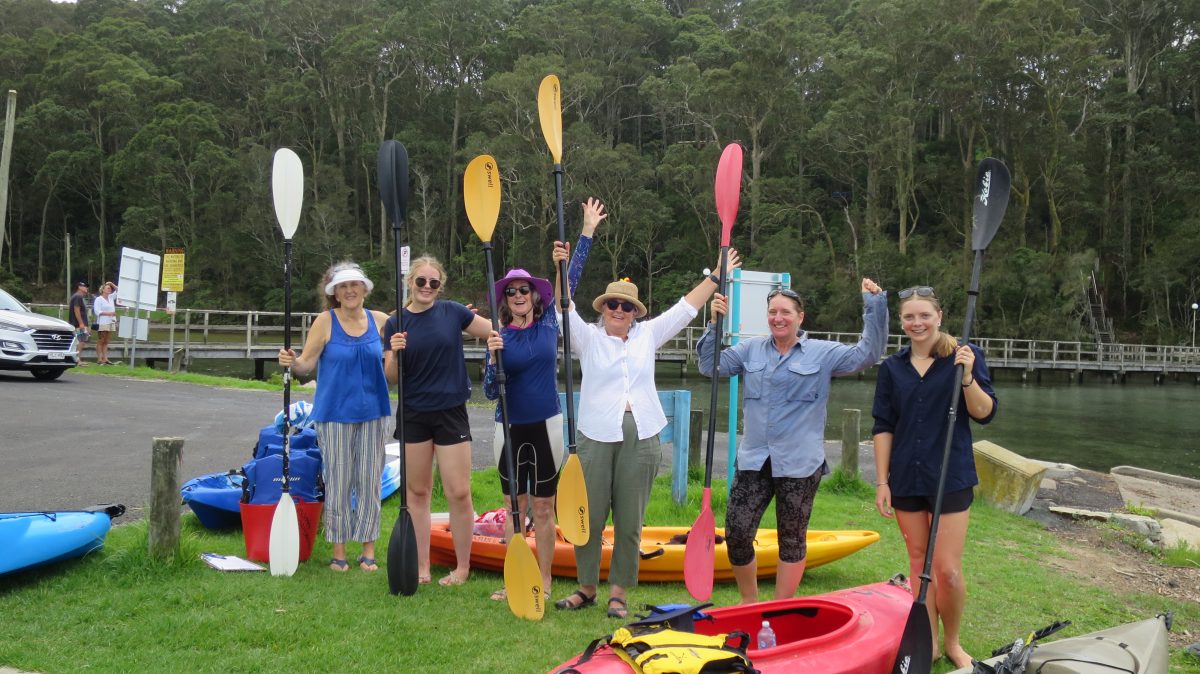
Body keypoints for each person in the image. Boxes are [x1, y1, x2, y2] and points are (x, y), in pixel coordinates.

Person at [552, 238, 740, 619]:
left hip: (642, 435)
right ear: (603, 309)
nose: (618, 310)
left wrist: (717, 276)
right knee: (587, 514)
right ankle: (587, 587)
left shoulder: (648, 335)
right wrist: (561, 266)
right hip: (594, 436)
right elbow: (562, 307)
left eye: (625, 306)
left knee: (629, 518)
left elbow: (686, 308)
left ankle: (618, 591)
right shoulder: (587, 339)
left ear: (634, 312)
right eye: (612, 304)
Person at [698, 279, 888, 604]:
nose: (778, 317)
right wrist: (714, 323)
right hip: (754, 460)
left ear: (801, 317)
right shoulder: (750, 350)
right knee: (738, 532)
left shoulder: (823, 353)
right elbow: (708, 367)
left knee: (792, 538)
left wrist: (874, 306)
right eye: (772, 312)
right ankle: (750, 602)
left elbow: (867, 354)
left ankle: (779, 606)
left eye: (785, 311)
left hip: (800, 464)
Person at [483, 198, 605, 602]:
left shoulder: (550, 321)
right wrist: (490, 359)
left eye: (525, 290)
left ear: (536, 297)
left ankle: (547, 579)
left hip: (547, 426)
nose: (518, 295)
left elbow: (571, 279)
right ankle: (513, 577)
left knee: (543, 508)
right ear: (506, 299)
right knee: (513, 508)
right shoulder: (500, 336)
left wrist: (583, 235)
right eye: (512, 291)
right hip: (509, 428)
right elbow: (487, 392)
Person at [872, 285, 997, 669]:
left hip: (950, 475)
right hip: (906, 476)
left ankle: (954, 642)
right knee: (917, 565)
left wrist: (968, 377)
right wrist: (882, 481)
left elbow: (985, 412)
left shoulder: (964, 357)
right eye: (909, 316)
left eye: (924, 315)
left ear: (939, 316)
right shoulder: (893, 368)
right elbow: (884, 424)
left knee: (947, 569)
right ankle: (929, 642)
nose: (917, 323)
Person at [383, 255, 494, 587]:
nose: (427, 287)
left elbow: (495, 332)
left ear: (440, 286)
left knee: (459, 492)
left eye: (433, 283)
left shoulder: (453, 312)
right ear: (410, 283)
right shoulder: (396, 323)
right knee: (418, 492)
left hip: (450, 411)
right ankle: (422, 567)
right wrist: (395, 350)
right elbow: (390, 377)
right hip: (414, 412)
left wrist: (529, 325)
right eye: (421, 282)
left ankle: (462, 567)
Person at [277, 262, 392, 573]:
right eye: (343, 286)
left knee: (369, 480)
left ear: (365, 289)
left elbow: (416, 332)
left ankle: (368, 550)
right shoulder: (325, 322)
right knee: (339, 480)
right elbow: (305, 366)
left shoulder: (381, 321)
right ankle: (339, 551)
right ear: (335, 293)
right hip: (334, 415)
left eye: (355, 284)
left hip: (374, 413)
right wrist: (291, 361)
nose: (350, 290)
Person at [93, 282, 118, 365]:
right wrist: (109, 313)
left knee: (107, 341)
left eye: (110, 288)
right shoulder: (99, 299)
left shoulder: (111, 298)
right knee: (101, 340)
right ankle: (99, 359)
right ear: (103, 290)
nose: (109, 289)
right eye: (107, 288)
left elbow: (119, 290)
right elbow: (97, 311)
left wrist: (111, 283)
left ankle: (105, 358)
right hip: (103, 322)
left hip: (111, 322)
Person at [68, 281, 90, 359]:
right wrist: (81, 323)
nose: (86, 288)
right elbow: (76, 310)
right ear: (79, 287)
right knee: (81, 341)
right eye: (85, 286)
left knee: (81, 341)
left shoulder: (78, 296)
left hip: (79, 323)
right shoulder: (78, 296)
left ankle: (77, 358)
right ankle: (76, 359)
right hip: (78, 324)